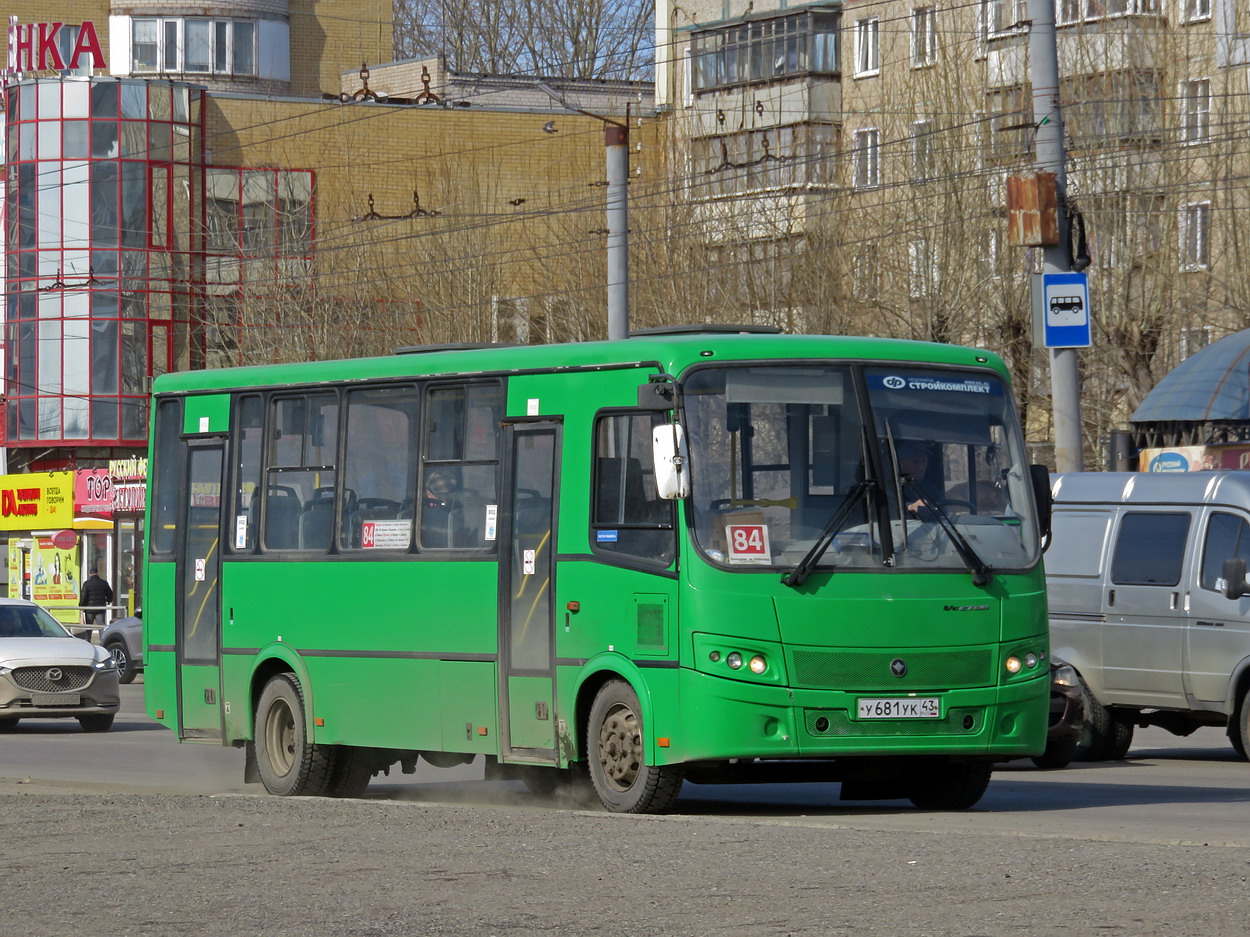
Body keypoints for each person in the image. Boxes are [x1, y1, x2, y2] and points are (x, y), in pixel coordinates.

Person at [78, 566, 114, 641]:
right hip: (100, 609)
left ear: (90, 574)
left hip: (89, 609)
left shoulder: (87, 584)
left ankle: (88, 641)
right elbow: (110, 593)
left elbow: (83, 596)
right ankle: (103, 641)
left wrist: (81, 606)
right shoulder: (104, 583)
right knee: (101, 627)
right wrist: (109, 601)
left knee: (88, 627)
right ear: (97, 573)